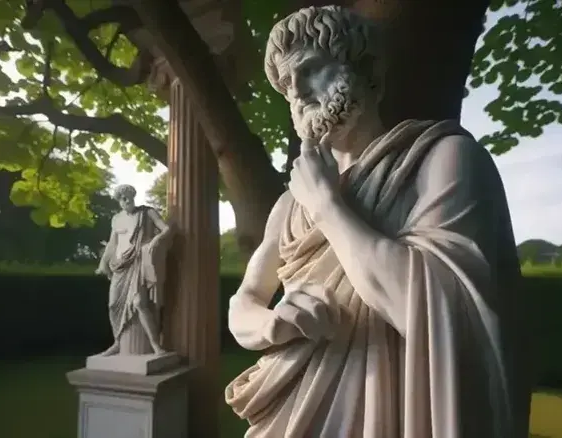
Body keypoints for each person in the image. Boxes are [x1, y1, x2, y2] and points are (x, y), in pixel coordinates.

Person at [225, 6, 531, 438]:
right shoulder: (289, 205)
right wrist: (272, 323)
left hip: (392, 408)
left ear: (367, 70)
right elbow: (244, 303)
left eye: (311, 70)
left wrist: (329, 207)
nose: (298, 93)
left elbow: (443, 313)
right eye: (286, 85)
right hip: (291, 412)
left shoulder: (441, 160)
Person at [95, 184, 173, 356]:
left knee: (139, 303)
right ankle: (117, 343)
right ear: (118, 201)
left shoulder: (147, 212)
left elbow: (166, 229)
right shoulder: (116, 219)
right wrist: (103, 263)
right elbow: (112, 243)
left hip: (138, 262)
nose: (126, 200)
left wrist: (155, 240)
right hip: (120, 266)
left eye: (128, 196)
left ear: (133, 196)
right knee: (113, 304)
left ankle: (156, 346)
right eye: (122, 198)